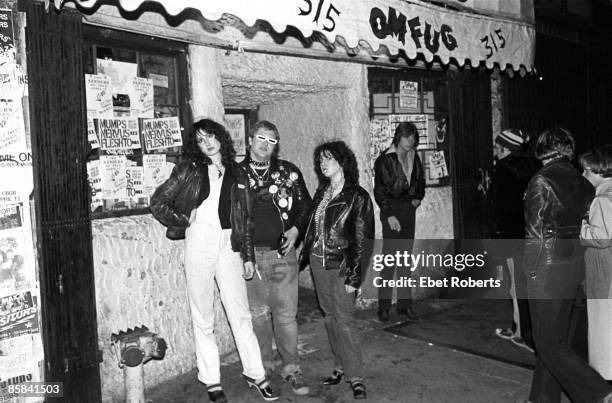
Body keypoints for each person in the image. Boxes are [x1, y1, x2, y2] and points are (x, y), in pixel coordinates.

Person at [150, 119, 279, 403]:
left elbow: (244, 219)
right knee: (203, 315)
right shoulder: (189, 170)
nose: (207, 142)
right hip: (199, 242)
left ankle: (256, 374)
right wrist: (184, 219)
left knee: (240, 313)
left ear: (221, 137)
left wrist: (248, 256)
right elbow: (158, 201)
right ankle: (211, 380)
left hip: (228, 245)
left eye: (211, 136)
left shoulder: (238, 171)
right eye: (200, 139)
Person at [521, 127, 612, 403]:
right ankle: (542, 398)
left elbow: (535, 234)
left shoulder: (541, 181)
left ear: (543, 150)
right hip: (574, 265)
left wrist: (530, 270)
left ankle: (598, 391)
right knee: (555, 337)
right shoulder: (583, 182)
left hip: (548, 266)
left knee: (546, 340)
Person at [239, 120, 312, 396]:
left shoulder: (288, 173)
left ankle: (292, 368)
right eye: (260, 138)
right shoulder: (236, 173)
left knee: (285, 316)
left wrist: (295, 230)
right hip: (249, 258)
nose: (265, 145)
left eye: (271, 141)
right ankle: (262, 370)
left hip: (282, 255)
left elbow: (305, 204)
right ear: (250, 140)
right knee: (257, 316)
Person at [300, 141, 374, 400]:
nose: (323, 164)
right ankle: (340, 366)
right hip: (319, 262)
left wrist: (355, 276)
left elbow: (364, 240)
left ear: (342, 162)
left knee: (345, 320)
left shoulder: (357, 196)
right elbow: (312, 226)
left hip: (343, 265)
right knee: (330, 317)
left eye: (328, 158)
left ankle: (356, 376)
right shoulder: (322, 192)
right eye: (320, 160)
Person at [491, 128, 539, 352]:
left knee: (516, 286)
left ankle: (523, 333)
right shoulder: (536, 166)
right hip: (531, 232)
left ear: (505, 148)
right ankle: (519, 327)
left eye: (497, 147)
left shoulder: (503, 169)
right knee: (525, 283)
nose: (495, 151)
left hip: (509, 234)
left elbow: (499, 205)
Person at [373, 121, 425, 322]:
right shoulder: (385, 160)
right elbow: (380, 191)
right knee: (389, 259)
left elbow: (420, 182)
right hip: (391, 210)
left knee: (405, 260)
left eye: (413, 137)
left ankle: (404, 305)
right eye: (406, 136)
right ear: (398, 137)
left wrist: (417, 198)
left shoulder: (414, 156)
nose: (410, 141)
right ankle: (383, 306)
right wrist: (389, 215)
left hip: (407, 210)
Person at [580, 145, 612, 381]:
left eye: (587, 171)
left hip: (603, 266)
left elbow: (600, 237)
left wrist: (579, 226)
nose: (584, 176)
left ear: (600, 171)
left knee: (602, 323)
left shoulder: (602, 198)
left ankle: (603, 378)